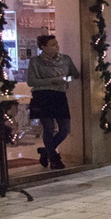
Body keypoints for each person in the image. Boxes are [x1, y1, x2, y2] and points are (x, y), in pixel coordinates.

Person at [27, 35, 81, 170]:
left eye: (56, 44)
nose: (56, 47)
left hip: (59, 95)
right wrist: (52, 80)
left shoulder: (65, 59)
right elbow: (31, 81)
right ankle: (54, 159)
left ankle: (46, 151)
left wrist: (65, 80)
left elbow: (75, 75)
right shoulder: (35, 61)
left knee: (65, 129)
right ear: (43, 47)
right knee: (49, 128)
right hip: (42, 96)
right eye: (52, 44)